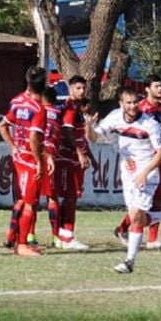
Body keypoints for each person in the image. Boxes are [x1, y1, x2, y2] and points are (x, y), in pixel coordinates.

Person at [86, 87, 161, 273]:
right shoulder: (114, 118)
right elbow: (95, 138)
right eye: (128, 103)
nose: (132, 106)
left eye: (135, 102)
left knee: (136, 215)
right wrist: (89, 127)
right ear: (121, 104)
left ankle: (129, 261)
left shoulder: (150, 124)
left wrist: (145, 172)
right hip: (128, 174)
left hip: (148, 174)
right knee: (135, 217)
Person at [114, 74, 161, 249]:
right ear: (147, 89)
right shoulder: (139, 110)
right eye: (157, 86)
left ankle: (151, 239)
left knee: (158, 199)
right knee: (140, 202)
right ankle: (124, 228)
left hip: (158, 160)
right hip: (140, 163)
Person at [0, 66, 49, 256]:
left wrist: (13, 147)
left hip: (19, 158)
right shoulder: (39, 109)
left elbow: (2, 126)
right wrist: (38, 161)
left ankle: (14, 235)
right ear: (44, 84)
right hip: (29, 161)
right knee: (30, 203)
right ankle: (21, 245)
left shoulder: (17, 101)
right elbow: (34, 138)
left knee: (23, 200)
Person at [53, 75, 91, 250]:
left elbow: (78, 134)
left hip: (73, 158)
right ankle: (67, 237)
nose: (82, 91)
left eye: (83, 88)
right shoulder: (70, 107)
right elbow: (67, 132)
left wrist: (89, 155)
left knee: (69, 197)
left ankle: (62, 235)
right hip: (69, 158)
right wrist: (79, 154)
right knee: (70, 197)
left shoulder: (76, 107)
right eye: (78, 88)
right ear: (70, 89)